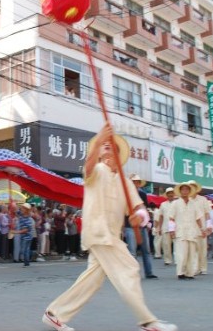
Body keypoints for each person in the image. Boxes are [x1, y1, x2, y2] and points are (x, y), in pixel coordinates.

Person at [42, 125, 177, 331]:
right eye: (103, 145)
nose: (106, 147)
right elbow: (87, 168)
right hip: (99, 232)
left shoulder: (126, 182)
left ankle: (55, 314)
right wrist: (97, 143)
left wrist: (138, 217)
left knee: (92, 280)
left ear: (118, 154)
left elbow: (138, 208)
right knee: (129, 269)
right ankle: (148, 322)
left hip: (112, 235)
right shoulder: (96, 170)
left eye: (110, 146)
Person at [168, 182, 204, 280]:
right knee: (181, 253)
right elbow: (171, 217)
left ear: (189, 191)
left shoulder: (193, 203)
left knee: (191, 253)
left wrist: (202, 229)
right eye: (183, 189)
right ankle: (180, 273)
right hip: (180, 231)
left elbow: (198, 218)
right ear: (180, 191)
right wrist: (171, 230)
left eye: (187, 189)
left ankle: (190, 273)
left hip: (192, 231)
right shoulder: (175, 203)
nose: (185, 191)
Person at [125, 174, 157, 279]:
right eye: (133, 182)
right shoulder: (125, 194)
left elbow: (145, 209)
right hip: (129, 225)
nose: (135, 184)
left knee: (146, 250)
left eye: (137, 182)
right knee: (132, 251)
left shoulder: (143, 194)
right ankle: (133, 273)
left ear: (139, 183)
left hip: (142, 225)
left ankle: (149, 272)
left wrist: (147, 223)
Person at [157, 187, 175, 266]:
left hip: (176, 228)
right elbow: (161, 217)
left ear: (174, 194)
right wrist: (159, 228)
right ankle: (167, 260)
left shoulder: (177, 203)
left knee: (177, 245)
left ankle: (178, 260)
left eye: (172, 193)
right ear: (167, 195)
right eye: (169, 193)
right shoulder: (163, 204)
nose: (170, 194)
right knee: (166, 245)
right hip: (165, 227)